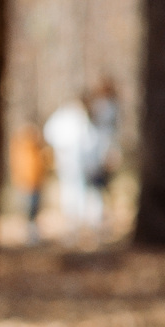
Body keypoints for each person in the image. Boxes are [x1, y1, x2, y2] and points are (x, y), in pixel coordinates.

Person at [42, 98, 100, 231]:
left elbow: (89, 139)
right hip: (68, 160)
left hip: (78, 161)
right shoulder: (63, 117)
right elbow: (89, 139)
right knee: (71, 189)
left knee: (77, 189)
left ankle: (79, 219)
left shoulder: (78, 117)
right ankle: (73, 220)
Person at [8, 125, 50, 244]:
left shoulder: (36, 150)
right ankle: (30, 233)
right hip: (27, 184)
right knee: (30, 210)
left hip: (34, 183)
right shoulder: (22, 149)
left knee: (33, 210)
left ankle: (32, 232)